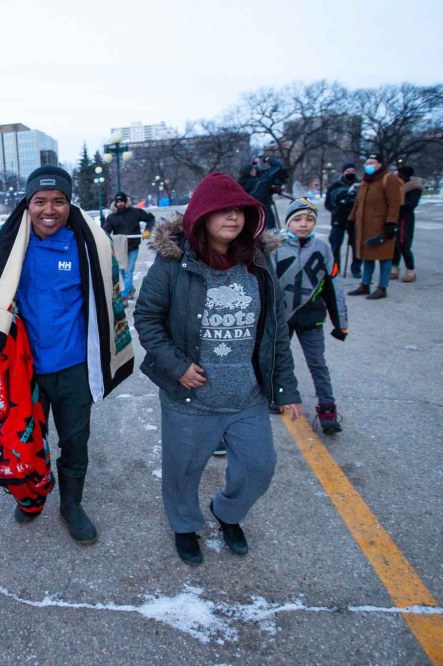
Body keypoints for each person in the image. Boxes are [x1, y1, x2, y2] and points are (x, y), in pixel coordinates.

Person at [134, 172, 302, 567]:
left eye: (240, 210)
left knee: (260, 467)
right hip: (191, 396)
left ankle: (227, 513)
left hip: (246, 395)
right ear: (202, 216)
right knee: (183, 472)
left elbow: (277, 328)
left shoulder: (259, 263)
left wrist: (287, 388)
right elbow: (147, 318)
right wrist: (177, 367)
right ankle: (185, 525)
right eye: (222, 210)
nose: (233, 217)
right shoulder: (172, 264)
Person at [0, 165, 135, 544]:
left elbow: (111, 298)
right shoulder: (6, 248)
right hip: (24, 370)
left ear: (69, 204)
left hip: (73, 367)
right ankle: (31, 497)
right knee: (24, 440)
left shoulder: (88, 246)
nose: (49, 209)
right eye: (40, 200)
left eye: (59, 201)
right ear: (27, 204)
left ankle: (71, 505)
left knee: (75, 440)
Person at [275, 198, 348, 435]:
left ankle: (327, 408)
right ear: (288, 222)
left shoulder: (322, 249)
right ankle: (277, 394)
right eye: (297, 219)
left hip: (311, 319)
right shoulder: (275, 247)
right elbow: (263, 285)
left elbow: (333, 287)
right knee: (276, 358)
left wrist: (341, 324)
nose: (303, 224)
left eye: (309, 219)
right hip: (281, 318)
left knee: (317, 363)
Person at [347, 154, 404, 300]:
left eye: (372, 162)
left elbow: (394, 203)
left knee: (384, 258)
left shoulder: (388, 179)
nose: (368, 165)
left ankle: (382, 287)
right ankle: (365, 285)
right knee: (367, 257)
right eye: (367, 163)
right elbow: (358, 203)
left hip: (381, 227)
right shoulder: (365, 181)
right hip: (365, 227)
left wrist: (391, 222)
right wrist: (351, 219)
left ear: (380, 164)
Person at [102, 191, 156, 302]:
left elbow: (150, 218)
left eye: (122, 201)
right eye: (118, 201)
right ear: (115, 203)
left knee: (128, 271)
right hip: (119, 248)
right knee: (123, 271)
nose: (120, 203)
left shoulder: (135, 213)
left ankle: (124, 295)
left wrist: (147, 231)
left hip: (133, 247)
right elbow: (105, 231)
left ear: (126, 202)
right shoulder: (112, 217)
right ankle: (130, 289)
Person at [323, 162, 361, 276]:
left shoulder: (360, 185)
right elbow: (328, 203)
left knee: (356, 245)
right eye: (348, 172)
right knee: (335, 244)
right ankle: (335, 268)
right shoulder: (335, 186)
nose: (350, 174)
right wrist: (336, 209)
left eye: (352, 172)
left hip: (355, 220)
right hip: (338, 220)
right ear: (343, 173)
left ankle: (356, 269)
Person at [392, 165, 423, 283]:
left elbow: (411, 205)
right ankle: (394, 267)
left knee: (403, 244)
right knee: (394, 244)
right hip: (394, 216)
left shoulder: (413, 187)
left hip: (405, 218)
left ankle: (410, 269)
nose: (395, 175)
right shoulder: (396, 186)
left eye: (398, 173)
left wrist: (398, 201)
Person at [242, 156, 289, 230]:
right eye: (254, 170)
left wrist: (270, 190)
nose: (256, 171)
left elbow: (258, 194)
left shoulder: (242, 184)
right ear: (251, 172)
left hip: (250, 223)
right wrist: (267, 158)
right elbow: (278, 166)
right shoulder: (260, 182)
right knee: (270, 236)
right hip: (266, 221)